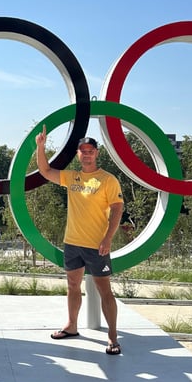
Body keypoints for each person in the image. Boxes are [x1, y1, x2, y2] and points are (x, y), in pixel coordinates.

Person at [34, 130, 124, 355]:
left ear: (97, 153)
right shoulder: (72, 177)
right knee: (72, 286)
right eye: (83, 152)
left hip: (97, 245)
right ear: (78, 154)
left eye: (90, 152)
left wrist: (108, 239)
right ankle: (71, 326)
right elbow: (45, 171)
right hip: (72, 242)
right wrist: (41, 146)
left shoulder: (107, 179)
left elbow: (117, 209)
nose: (86, 155)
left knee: (105, 291)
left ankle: (113, 337)